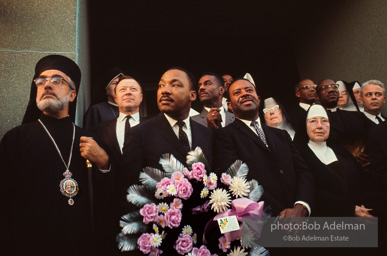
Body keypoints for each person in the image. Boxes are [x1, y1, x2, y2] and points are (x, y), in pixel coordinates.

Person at [0, 55, 112, 255]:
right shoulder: (15, 139)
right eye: (41, 81)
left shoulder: (91, 141)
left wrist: (104, 164)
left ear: (72, 94)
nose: (47, 86)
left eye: (57, 80)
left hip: (79, 244)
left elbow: (109, 199)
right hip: (27, 244)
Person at [117, 67, 213, 254]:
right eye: (161, 85)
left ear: (192, 95)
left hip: (201, 238)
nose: (165, 90)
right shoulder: (140, 133)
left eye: (175, 85)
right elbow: (128, 189)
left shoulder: (207, 134)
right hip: (160, 239)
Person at [214, 78, 314, 218]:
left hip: (301, 218)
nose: (244, 94)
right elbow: (239, 181)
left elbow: (303, 171)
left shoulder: (282, 135)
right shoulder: (224, 136)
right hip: (266, 222)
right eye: (237, 92)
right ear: (230, 105)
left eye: (249, 90)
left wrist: (301, 207)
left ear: (259, 99)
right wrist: (283, 216)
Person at [297, 104, 372, 217]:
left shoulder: (341, 151)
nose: (319, 126)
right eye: (313, 121)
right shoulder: (300, 156)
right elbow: (314, 193)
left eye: (324, 121)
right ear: (305, 125)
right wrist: (351, 210)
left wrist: (364, 208)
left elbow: (364, 180)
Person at [92, 75, 144, 167]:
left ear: (141, 97)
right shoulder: (100, 130)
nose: (128, 92)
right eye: (123, 89)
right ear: (116, 98)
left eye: (133, 89)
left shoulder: (154, 128)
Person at [314, 78, 370, 158]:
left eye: (334, 86)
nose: (331, 90)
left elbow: (374, 135)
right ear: (317, 97)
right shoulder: (315, 122)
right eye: (325, 88)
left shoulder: (357, 116)